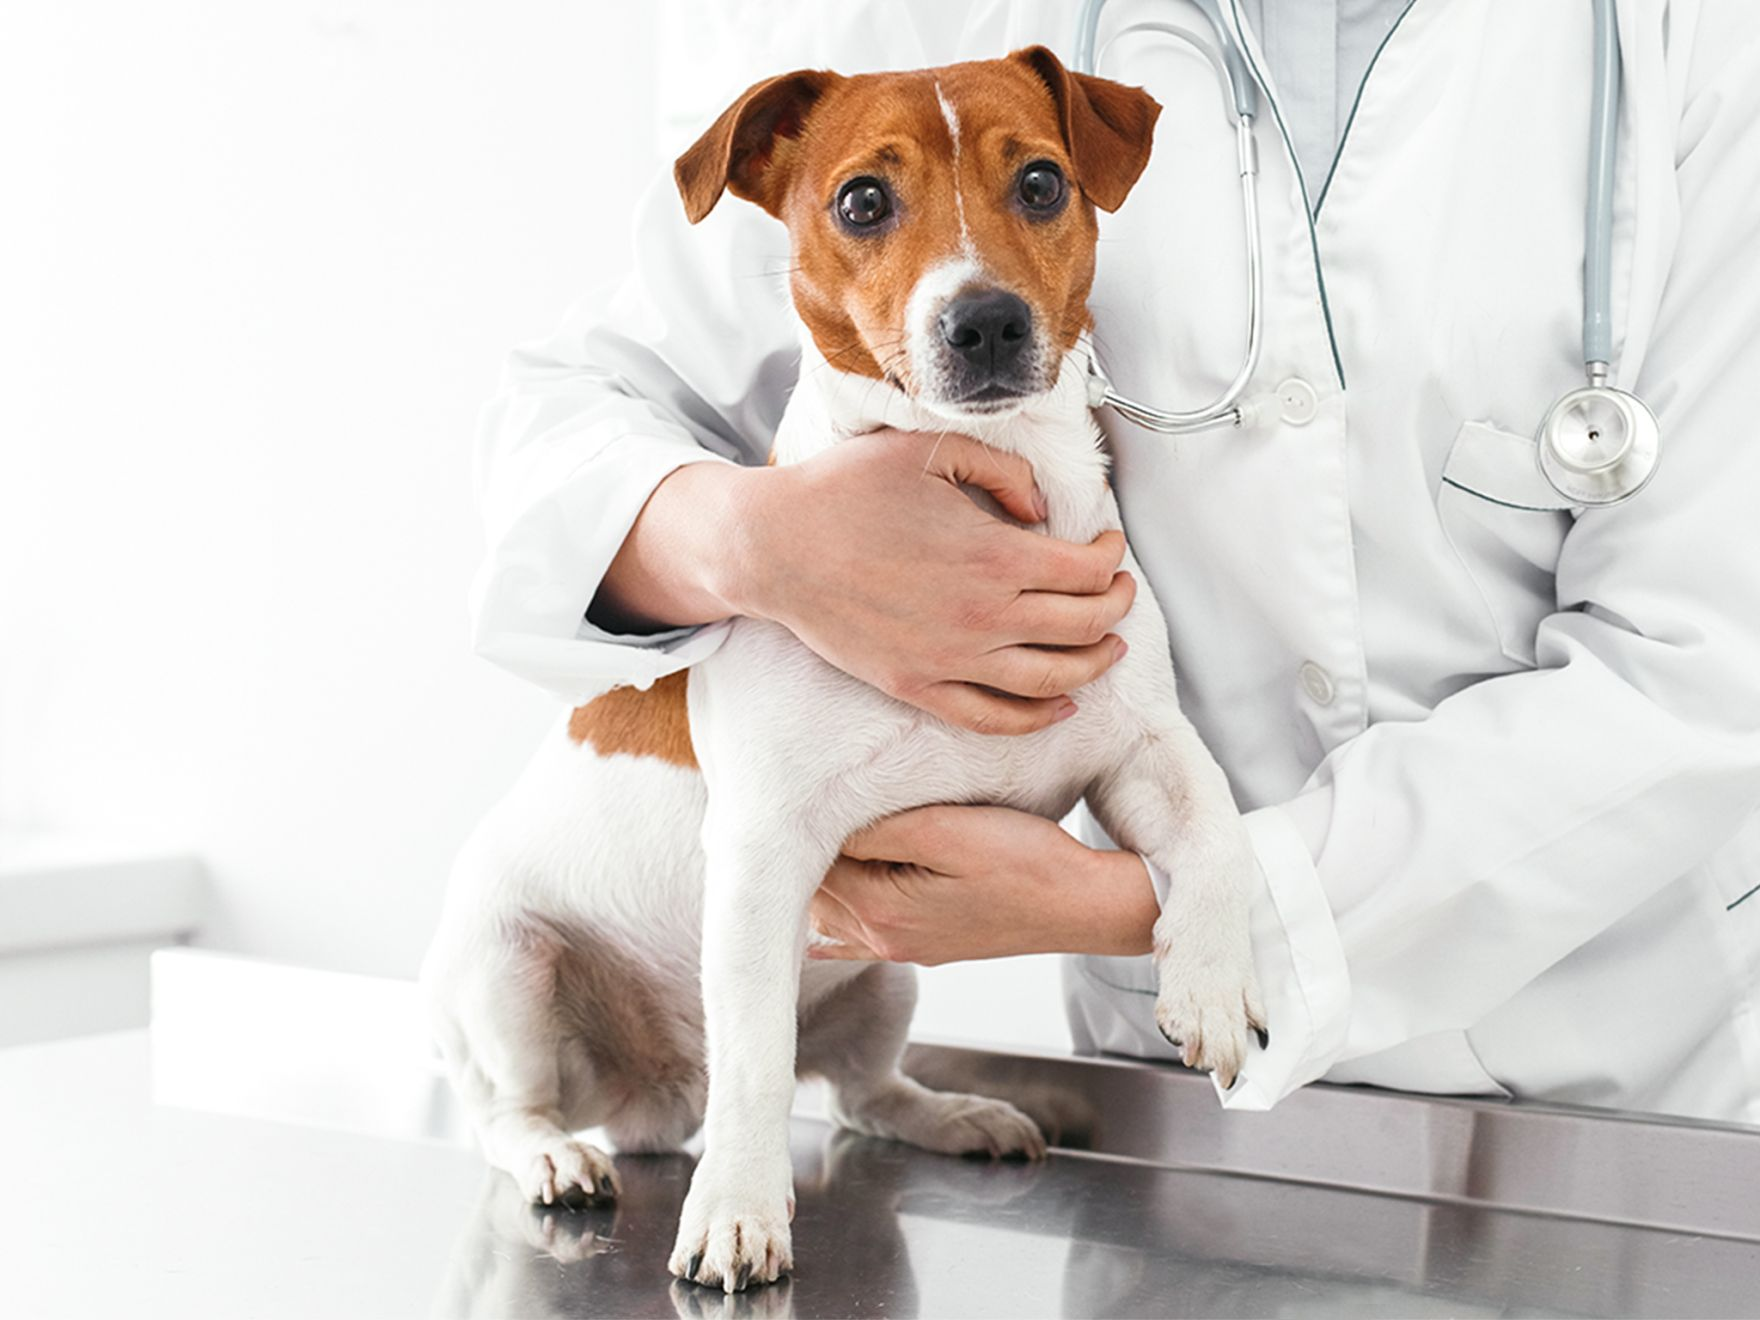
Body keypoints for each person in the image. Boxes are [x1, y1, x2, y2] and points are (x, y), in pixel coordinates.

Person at [469, 0, 1760, 1121]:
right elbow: (571, 412)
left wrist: (1135, 903)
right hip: (1176, 1102)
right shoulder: (918, 36)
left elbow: (1708, 664)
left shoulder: (1693, 48)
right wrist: (748, 539)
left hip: (1632, 1076)